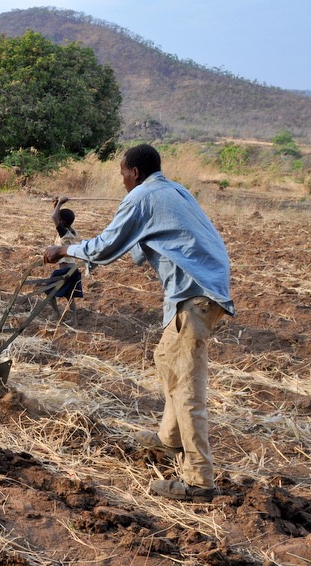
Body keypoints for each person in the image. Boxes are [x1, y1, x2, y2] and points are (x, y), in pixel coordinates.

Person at [43, 144, 235, 503]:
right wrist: (72, 235)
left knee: (187, 390)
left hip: (193, 294)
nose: (121, 180)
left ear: (132, 171)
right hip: (202, 290)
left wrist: (64, 249)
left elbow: (105, 248)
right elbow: (130, 250)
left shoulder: (144, 196)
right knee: (168, 362)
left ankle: (199, 482)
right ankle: (168, 439)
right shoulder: (173, 190)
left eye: (121, 173)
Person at [45, 196, 83, 324]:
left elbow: (54, 218)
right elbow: (56, 218)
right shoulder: (70, 231)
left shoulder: (64, 233)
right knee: (69, 296)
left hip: (65, 271)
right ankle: (75, 319)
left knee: (48, 290)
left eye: (60, 220)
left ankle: (56, 313)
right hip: (72, 269)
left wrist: (60, 203)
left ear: (63, 221)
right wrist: (56, 205)